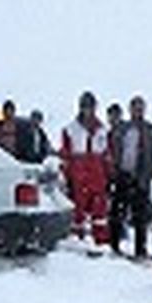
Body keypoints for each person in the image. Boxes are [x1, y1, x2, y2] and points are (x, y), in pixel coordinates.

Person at [109, 95, 152, 258]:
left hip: (141, 178)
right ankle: (114, 245)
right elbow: (112, 150)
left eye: (140, 108)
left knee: (141, 216)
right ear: (130, 110)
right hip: (123, 176)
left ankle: (141, 248)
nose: (137, 111)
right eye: (134, 108)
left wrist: (148, 173)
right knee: (117, 213)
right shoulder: (121, 129)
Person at [60, 91, 113, 245]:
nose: (88, 111)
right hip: (79, 173)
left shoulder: (103, 130)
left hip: (97, 174)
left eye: (91, 107)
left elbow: (107, 154)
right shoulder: (70, 129)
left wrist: (109, 174)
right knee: (78, 211)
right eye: (85, 107)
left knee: (100, 210)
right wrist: (67, 176)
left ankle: (101, 241)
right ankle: (77, 241)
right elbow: (66, 154)